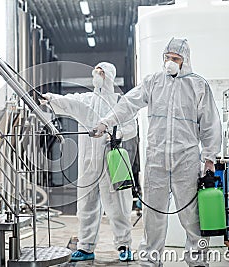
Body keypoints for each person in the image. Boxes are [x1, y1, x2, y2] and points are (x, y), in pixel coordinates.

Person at [93, 38, 222, 267]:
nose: (170, 63)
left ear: (185, 61)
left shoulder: (198, 85)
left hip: (186, 160)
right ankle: (150, 261)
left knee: (192, 216)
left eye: (176, 59)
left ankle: (198, 261)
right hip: (156, 161)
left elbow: (210, 124)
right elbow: (128, 104)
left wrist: (210, 158)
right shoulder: (153, 82)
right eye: (167, 58)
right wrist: (106, 122)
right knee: (153, 216)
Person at [40, 62, 136, 262]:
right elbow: (69, 102)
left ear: (109, 76)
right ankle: (85, 247)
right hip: (88, 162)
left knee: (118, 206)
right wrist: (50, 99)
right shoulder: (87, 99)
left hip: (112, 160)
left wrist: (117, 134)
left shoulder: (120, 102)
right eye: (95, 72)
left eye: (100, 73)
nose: (97, 76)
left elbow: (132, 127)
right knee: (86, 205)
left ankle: (124, 246)